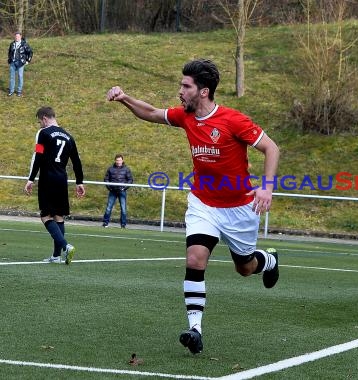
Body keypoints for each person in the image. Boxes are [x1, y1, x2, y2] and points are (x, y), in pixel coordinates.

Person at [106, 58, 280, 354]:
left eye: (185, 86)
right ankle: (195, 329)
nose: (180, 91)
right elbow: (150, 112)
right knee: (195, 259)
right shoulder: (186, 117)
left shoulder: (233, 120)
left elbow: (271, 147)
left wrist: (267, 187)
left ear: (203, 91)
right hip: (203, 203)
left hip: (239, 208)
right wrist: (125, 99)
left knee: (245, 268)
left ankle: (269, 260)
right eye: (181, 85)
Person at [24, 106, 85, 264]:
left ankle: (66, 247)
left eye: (39, 122)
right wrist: (79, 182)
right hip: (61, 179)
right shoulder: (69, 137)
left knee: (45, 216)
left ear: (44, 118)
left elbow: (38, 156)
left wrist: (31, 179)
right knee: (58, 216)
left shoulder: (43, 134)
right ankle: (56, 256)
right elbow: (76, 161)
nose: (40, 125)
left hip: (47, 179)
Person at [102, 154, 134, 228]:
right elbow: (106, 179)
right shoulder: (110, 169)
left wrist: (124, 188)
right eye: (117, 160)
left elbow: (130, 180)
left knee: (123, 209)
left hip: (122, 191)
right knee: (109, 207)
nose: (118, 162)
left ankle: (123, 224)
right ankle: (105, 223)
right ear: (115, 160)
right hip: (112, 191)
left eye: (120, 160)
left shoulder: (126, 169)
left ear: (122, 160)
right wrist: (109, 188)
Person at [7, 31, 33, 97]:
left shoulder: (24, 44)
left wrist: (28, 61)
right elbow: (9, 52)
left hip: (21, 63)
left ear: (20, 37)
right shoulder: (12, 44)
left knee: (20, 77)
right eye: (16, 36)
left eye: (18, 36)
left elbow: (30, 52)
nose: (17, 37)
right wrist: (9, 59)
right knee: (12, 77)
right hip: (13, 62)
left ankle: (19, 91)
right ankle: (11, 91)